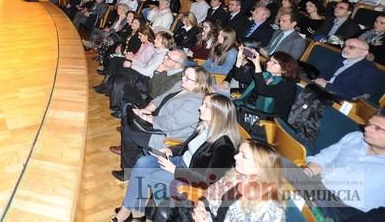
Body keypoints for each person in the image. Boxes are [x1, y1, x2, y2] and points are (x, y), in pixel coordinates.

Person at [109, 94, 241, 222]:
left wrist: (175, 170)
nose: (200, 108)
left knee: (147, 177)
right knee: (143, 162)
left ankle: (140, 213)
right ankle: (134, 212)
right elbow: (186, 146)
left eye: (206, 106)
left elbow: (209, 181)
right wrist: (170, 150)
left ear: (217, 114)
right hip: (181, 162)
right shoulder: (205, 126)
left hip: (193, 180)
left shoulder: (225, 146)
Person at [111, 66, 213, 180]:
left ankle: (128, 171)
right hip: (157, 121)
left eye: (187, 78)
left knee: (129, 130)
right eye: (184, 75)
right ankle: (134, 153)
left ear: (199, 84)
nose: (182, 78)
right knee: (128, 119)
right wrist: (148, 109)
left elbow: (171, 123)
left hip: (167, 135)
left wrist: (148, 118)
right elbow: (161, 98)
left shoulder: (197, 102)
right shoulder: (181, 85)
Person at [299, 108, 385, 222]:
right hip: (317, 186)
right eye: (369, 123)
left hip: (344, 211)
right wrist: (306, 174)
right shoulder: (355, 137)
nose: (367, 129)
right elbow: (323, 159)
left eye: (377, 128)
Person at [191, 140, 287, 222]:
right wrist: (201, 206)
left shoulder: (269, 209)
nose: (235, 157)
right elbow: (209, 193)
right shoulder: (237, 176)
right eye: (238, 152)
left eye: (244, 156)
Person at [233, 49, 299, 137]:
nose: (268, 63)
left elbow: (263, 90)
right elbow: (238, 76)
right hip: (250, 111)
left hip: (267, 122)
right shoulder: (266, 76)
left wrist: (257, 65)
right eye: (269, 60)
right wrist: (239, 59)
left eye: (273, 62)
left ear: (284, 69)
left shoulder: (288, 86)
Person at [312, 38, 385, 101]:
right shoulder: (341, 60)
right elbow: (325, 73)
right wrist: (317, 81)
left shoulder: (370, 71)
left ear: (364, 53)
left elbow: (358, 96)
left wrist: (327, 86)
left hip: (337, 100)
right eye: (345, 46)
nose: (345, 49)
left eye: (351, 47)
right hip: (320, 90)